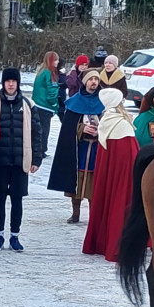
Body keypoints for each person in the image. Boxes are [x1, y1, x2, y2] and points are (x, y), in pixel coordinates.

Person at [0, 68, 42, 252]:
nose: (10, 84)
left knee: (17, 200)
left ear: (18, 83)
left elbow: (36, 133)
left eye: (14, 81)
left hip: (20, 161)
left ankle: (15, 236)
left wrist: (37, 158)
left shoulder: (28, 104)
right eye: (7, 81)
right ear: (3, 83)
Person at [83, 89, 139, 262]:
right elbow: (130, 153)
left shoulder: (106, 119)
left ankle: (101, 242)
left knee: (107, 199)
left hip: (110, 173)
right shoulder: (121, 123)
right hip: (124, 173)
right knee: (121, 203)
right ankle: (116, 244)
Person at [48, 69, 102, 224]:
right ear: (85, 82)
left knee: (94, 181)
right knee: (76, 180)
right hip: (79, 148)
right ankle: (76, 213)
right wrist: (82, 129)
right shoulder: (74, 102)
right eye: (91, 79)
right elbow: (68, 127)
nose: (93, 82)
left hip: (97, 148)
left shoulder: (104, 101)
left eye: (96, 80)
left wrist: (101, 130)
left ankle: (93, 215)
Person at [31, 51, 60, 158]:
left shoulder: (41, 71)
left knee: (38, 129)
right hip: (45, 106)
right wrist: (54, 105)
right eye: (56, 60)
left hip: (37, 104)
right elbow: (52, 91)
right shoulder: (49, 73)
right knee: (44, 130)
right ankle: (41, 150)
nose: (57, 62)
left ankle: (37, 149)